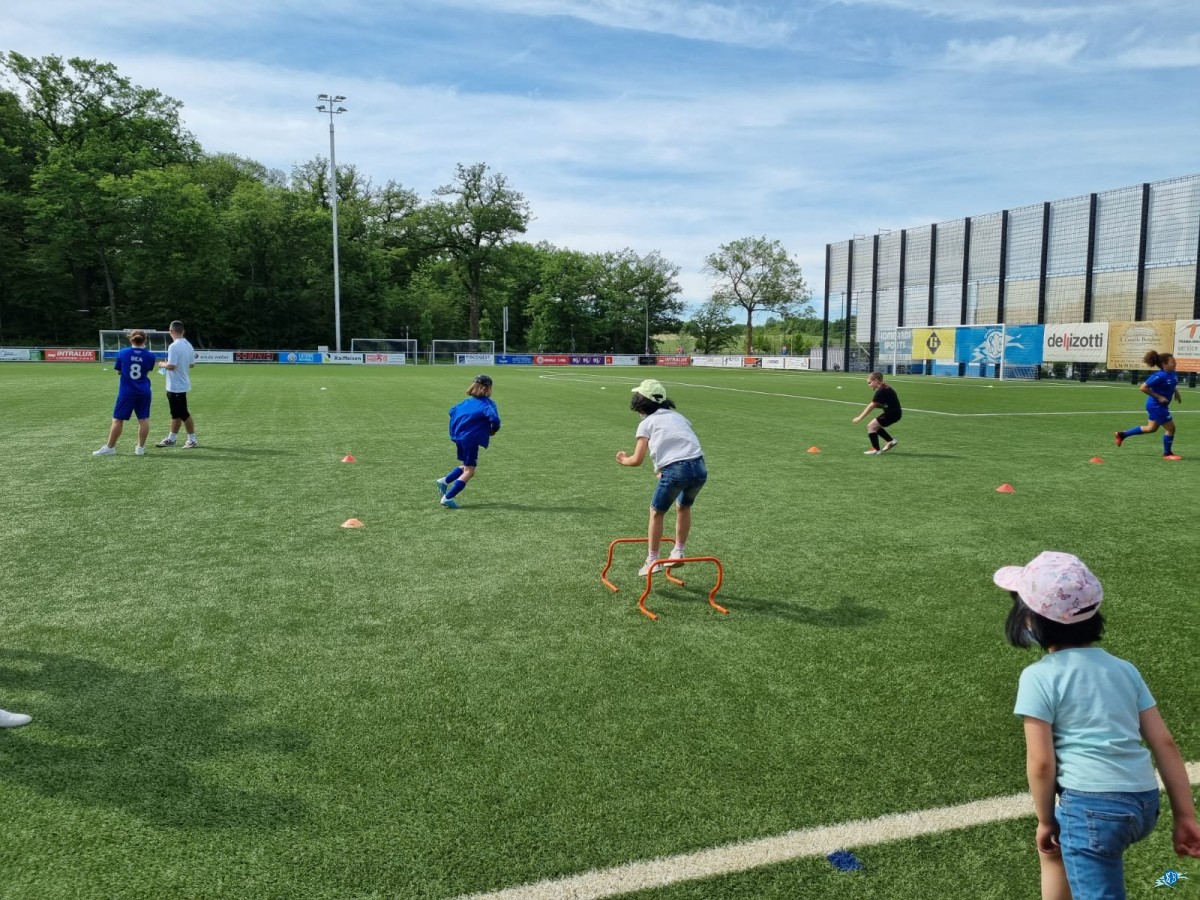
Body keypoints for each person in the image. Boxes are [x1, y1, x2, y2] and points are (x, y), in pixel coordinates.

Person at [994, 551, 1200, 899]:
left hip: (1091, 809)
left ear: (1029, 619)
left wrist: (1045, 820)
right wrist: (1186, 816)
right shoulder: (1124, 669)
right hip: (1143, 804)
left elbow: (1041, 762)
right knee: (1056, 855)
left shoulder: (1038, 677)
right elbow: (1164, 744)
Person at [616, 379, 707, 576]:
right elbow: (679, 443)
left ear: (641, 404)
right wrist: (664, 468)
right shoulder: (678, 417)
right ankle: (678, 552)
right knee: (684, 506)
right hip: (699, 467)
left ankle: (652, 560)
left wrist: (623, 460)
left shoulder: (647, 423)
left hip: (677, 470)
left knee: (656, 512)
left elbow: (637, 459)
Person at [435, 374, 501, 509]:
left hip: (458, 436)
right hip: (470, 438)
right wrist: (492, 430)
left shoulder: (465, 402)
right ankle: (448, 497)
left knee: (466, 465)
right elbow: (495, 420)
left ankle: (444, 481)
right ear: (488, 389)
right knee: (470, 471)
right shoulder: (487, 403)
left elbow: (451, 411)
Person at [93, 328, 155, 456]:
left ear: (130, 339)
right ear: (145, 340)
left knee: (117, 419)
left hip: (127, 392)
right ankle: (140, 448)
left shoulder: (123, 352)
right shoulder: (150, 356)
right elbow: (146, 371)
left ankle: (110, 447)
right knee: (143, 419)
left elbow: (120, 371)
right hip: (144, 391)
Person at [1115, 350, 1182, 460]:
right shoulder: (1159, 376)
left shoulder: (1173, 373)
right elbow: (1143, 387)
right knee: (1171, 429)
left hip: (1160, 406)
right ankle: (1167, 454)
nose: (1175, 363)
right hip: (1156, 406)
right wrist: (1159, 397)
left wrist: (1177, 393)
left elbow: (1172, 384)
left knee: (1151, 428)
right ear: (1164, 364)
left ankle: (1121, 435)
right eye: (1172, 361)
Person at [155, 319, 198, 449]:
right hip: (179, 384)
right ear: (183, 331)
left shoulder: (173, 346)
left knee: (183, 413)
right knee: (175, 414)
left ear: (171, 331)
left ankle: (192, 439)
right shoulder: (188, 345)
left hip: (176, 385)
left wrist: (162, 364)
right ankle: (171, 438)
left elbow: (172, 366)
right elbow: (191, 365)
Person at [852, 372, 902, 455]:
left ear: (875, 380)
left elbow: (872, 405)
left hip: (892, 414)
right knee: (875, 426)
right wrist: (877, 405)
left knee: (871, 427)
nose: (869, 385)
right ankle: (890, 441)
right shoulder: (885, 388)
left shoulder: (881, 390)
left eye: (869, 382)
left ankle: (876, 450)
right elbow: (884, 404)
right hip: (894, 413)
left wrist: (859, 418)